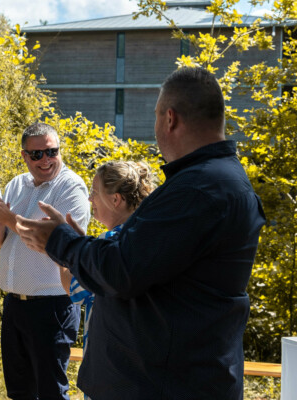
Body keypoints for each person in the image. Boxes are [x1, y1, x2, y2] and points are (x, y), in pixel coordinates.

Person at [16, 67, 266, 399]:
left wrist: (60, 241)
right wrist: (81, 243)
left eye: (155, 116)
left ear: (170, 119)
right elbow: (143, 262)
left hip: (165, 384)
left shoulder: (200, 189)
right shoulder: (212, 180)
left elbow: (121, 271)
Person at [0, 122, 91, 400]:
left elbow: (54, 240)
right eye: (37, 154)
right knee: (19, 392)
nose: (46, 160)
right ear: (24, 156)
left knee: (51, 391)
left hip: (52, 306)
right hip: (15, 304)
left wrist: (8, 218)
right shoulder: (16, 183)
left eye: (52, 151)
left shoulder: (71, 187)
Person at [58, 161, 155, 400]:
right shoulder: (148, 235)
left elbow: (71, 285)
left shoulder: (110, 241)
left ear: (116, 200)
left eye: (94, 192)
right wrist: (83, 247)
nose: (90, 199)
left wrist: (62, 246)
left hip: (109, 368)